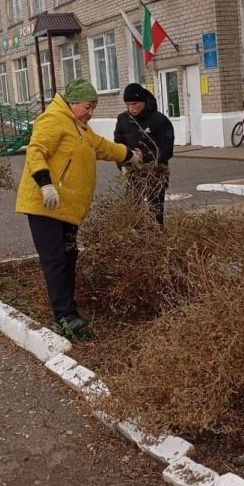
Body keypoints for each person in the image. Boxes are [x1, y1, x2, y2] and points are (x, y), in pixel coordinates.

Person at [16, 79, 142, 334]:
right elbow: (36, 151)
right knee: (56, 260)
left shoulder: (80, 127)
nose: (91, 112)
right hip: (45, 205)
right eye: (88, 106)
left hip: (67, 208)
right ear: (72, 103)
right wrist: (44, 184)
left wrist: (129, 155)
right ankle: (65, 317)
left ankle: (69, 310)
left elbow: (103, 147)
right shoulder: (53, 120)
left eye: (94, 107)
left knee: (69, 256)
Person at [114, 82, 175, 225]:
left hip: (155, 171)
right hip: (133, 172)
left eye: (134, 104)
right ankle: (138, 236)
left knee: (156, 209)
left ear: (143, 101)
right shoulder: (123, 119)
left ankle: (157, 232)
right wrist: (122, 164)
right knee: (133, 207)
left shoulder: (159, 120)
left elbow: (167, 150)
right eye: (128, 104)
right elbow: (118, 146)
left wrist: (145, 157)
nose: (131, 108)